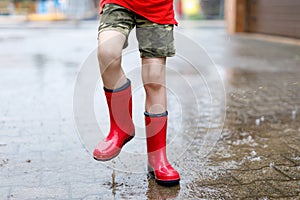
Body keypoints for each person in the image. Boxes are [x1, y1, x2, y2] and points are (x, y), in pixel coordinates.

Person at [93, 0, 180, 186]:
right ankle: (121, 127)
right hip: (118, 2)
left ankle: (157, 159)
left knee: (154, 78)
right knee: (107, 52)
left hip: (158, 6)